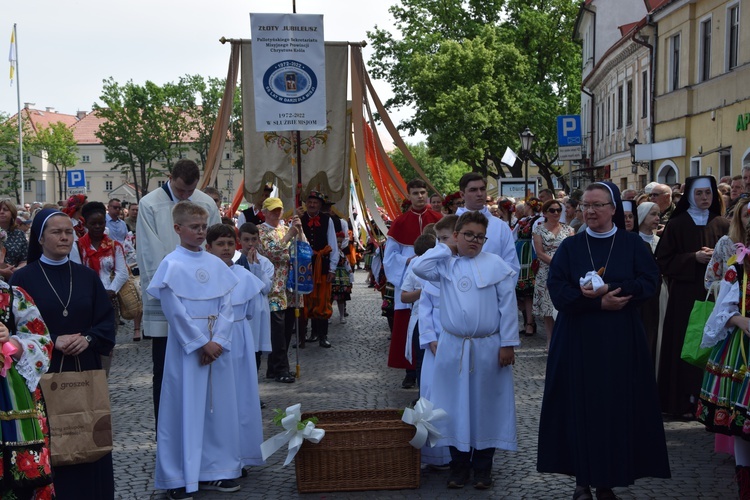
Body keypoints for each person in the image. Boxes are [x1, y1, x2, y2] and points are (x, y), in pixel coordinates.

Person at [537, 181, 670, 500]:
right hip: (577, 340)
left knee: (613, 408)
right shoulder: (570, 246)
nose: (590, 211)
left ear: (614, 209)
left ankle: (607, 480)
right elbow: (558, 290)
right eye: (585, 205)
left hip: (619, 340)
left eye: (597, 205)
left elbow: (649, 282)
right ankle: (582, 480)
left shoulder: (633, 244)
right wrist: (596, 303)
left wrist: (614, 292)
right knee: (578, 407)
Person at [11, 208, 117, 499]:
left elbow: (106, 320)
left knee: (88, 438)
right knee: (51, 440)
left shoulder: (86, 276)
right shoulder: (22, 279)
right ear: (41, 237)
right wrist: (53, 340)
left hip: (84, 365)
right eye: (57, 232)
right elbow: (11, 330)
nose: (64, 237)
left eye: (69, 231)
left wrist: (89, 338)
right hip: (42, 372)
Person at [412, 211, 518, 490]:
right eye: (468, 234)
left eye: (480, 236)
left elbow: (507, 307)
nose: (474, 240)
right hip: (454, 346)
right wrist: (446, 247)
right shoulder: (445, 264)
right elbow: (419, 269)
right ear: (457, 235)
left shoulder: (496, 265)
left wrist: (507, 344)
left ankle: (483, 469)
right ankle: (459, 468)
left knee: (486, 407)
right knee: (454, 407)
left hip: (488, 347)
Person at [146, 202, 242, 500]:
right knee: (183, 409)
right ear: (178, 229)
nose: (201, 232)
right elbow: (174, 312)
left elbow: (228, 305)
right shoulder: (171, 265)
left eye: (203, 227)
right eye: (195, 227)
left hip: (217, 349)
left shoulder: (216, 264)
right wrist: (202, 343)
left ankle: (217, 469)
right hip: (188, 350)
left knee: (218, 409)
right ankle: (178, 475)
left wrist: (219, 342)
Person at [137, 158, 221, 425]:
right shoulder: (150, 204)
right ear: (170, 177)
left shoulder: (205, 203)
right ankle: (166, 429)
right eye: (181, 190)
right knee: (165, 369)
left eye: (190, 191)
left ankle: (203, 427)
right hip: (168, 301)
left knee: (204, 366)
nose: (185, 196)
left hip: (202, 300)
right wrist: (174, 290)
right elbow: (150, 253)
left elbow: (216, 242)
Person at [655, 175, 729, 418]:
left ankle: (710, 401)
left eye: (708, 193)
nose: (704, 198)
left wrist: (718, 258)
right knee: (683, 344)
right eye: (699, 194)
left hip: (716, 295)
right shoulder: (676, 224)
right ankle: (681, 401)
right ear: (689, 196)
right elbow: (663, 260)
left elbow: (735, 259)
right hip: (684, 295)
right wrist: (692, 258)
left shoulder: (722, 224)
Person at [205, 223, 266, 474]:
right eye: (220, 244)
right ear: (208, 248)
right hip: (216, 342)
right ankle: (220, 455)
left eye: (230, 243)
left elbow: (252, 312)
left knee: (242, 396)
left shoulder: (245, 276)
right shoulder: (205, 276)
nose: (227, 248)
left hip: (240, 342)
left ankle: (242, 454)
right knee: (219, 400)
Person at [697, 211, 750, 498]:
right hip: (742, 348)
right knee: (742, 419)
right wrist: (738, 320)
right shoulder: (737, 260)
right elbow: (723, 302)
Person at [384, 179, 442, 388]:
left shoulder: (439, 219)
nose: (419, 196)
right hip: (409, 280)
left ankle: (434, 367)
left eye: (422, 192)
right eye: (415, 193)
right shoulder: (399, 223)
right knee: (408, 326)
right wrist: (407, 261)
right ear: (408, 196)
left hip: (435, 280)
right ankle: (410, 370)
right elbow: (389, 257)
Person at [0, 280, 54, 499]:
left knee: (23, 486)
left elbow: (43, 342)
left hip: (13, 399)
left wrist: (12, 341)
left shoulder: (13, 296)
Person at [256, 197, 305, 381]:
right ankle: (281, 369)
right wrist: (288, 236)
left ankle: (275, 367)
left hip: (290, 288)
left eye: (279, 210)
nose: (277, 213)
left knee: (286, 330)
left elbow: (302, 250)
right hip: (274, 286)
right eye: (273, 210)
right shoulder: (260, 231)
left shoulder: (286, 228)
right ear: (265, 212)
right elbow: (270, 253)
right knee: (277, 330)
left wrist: (299, 232)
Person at [78, 201, 128, 373]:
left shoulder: (115, 246)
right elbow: (76, 272)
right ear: (86, 224)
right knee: (85, 341)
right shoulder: (78, 246)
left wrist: (111, 290)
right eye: (93, 223)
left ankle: (102, 380)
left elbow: (122, 272)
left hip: (108, 301)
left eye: (101, 223)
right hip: (85, 301)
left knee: (106, 343)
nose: (98, 226)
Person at [455, 172, 520, 275]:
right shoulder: (450, 224)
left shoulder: (500, 226)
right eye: (473, 190)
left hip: (491, 287)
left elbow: (511, 264)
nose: (479, 193)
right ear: (462, 195)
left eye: (482, 189)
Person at [298, 190, 339, 348]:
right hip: (305, 266)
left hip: (322, 265)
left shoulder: (327, 220)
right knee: (306, 300)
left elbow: (333, 245)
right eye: (310, 202)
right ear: (306, 203)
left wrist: (332, 269)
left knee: (322, 300)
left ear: (320, 205)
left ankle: (323, 335)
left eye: (315, 203)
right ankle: (307, 334)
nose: (312, 205)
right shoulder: (299, 220)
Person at [532, 199, 574, 351]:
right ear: (544, 213)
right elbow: (540, 253)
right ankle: (550, 339)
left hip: (564, 272)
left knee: (561, 304)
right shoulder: (538, 230)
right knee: (547, 307)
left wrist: (565, 266)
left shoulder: (568, 230)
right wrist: (557, 264)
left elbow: (572, 251)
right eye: (552, 210)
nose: (556, 213)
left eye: (558, 210)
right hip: (546, 270)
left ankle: (562, 337)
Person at [235, 222, 274, 382]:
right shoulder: (234, 259)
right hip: (240, 312)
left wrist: (256, 268)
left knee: (255, 353)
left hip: (259, 312)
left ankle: (252, 390)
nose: (250, 244)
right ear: (240, 240)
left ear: (258, 240)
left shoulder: (265, 263)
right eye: (246, 240)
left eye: (253, 239)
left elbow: (266, 288)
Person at [637, 201, 665, 365]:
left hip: (661, 293)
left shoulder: (660, 240)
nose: (657, 218)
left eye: (658, 215)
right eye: (653, 214)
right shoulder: (633, 240)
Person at [515, 198, 542, 336]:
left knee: (528, 291)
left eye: (525, 205)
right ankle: (527, 322)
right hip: (520, 255)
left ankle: (530, 323)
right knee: (521, 292)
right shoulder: (525, 219)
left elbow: (536, 239)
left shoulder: (537, 220)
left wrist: (536, 258)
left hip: (528, 256)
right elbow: (513, 235)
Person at [0, 198, 28, 281]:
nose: (1, 212)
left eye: (5, 210)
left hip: (13, 279)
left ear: (12, 213)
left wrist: (17, 270)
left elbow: (24, 260)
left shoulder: (19, 234)